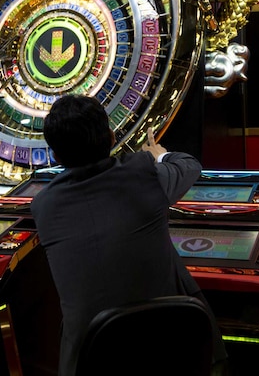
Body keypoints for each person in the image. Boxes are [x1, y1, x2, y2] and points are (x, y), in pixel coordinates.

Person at [30, 94, 227, 376]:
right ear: (111, 137)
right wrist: (161, 154)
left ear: (55, 155)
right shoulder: (145, 173)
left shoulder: (43, 206)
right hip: (170, 348)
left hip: (91, 358)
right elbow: (189, 165)